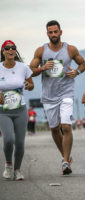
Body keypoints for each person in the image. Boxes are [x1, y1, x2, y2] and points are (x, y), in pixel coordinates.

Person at [29, 20, 85, 175]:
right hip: (49, 96)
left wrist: (76, 72)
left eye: (56, 32)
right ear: (47, 33)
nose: (53, 35)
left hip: (66, 93)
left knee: (66, 126)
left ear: (61, 32)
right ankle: (65, 156)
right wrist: (42, 68)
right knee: (54, 129)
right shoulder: (41, 51)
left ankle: (66, 162)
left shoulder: (71, 50)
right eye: (50, 32)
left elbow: (83, 64)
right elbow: (31, 71)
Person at [0, 40, 34, 180]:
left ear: (15, 51)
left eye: (13, 48)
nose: (10, 50)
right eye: (7, 48)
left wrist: (28, 84)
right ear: (3, 52)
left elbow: (31, 85)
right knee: (8, 139)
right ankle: (8, 165)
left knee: (20, 142)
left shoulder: (23, 67)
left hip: (20, 109)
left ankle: (17, 170)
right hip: (3, 110)